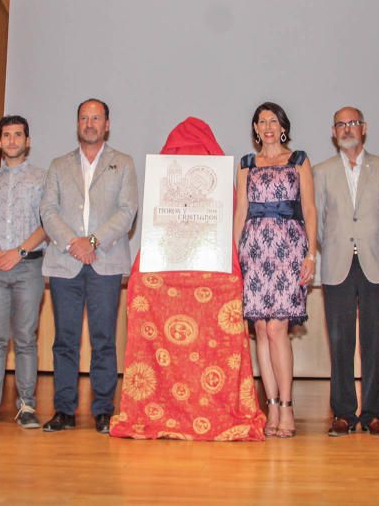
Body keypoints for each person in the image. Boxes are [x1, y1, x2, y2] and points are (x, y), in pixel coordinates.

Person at [110, 117, 266, 441]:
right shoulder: (182, 182)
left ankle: (156, 412)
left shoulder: (206, 185)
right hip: (194, 263)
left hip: (179, 264)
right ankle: (215, 412)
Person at [40, 99, 138, 434]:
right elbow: (48, 211)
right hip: (65, 261)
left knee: (104, 339)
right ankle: (64, 410)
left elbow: (127, 212)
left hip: (105, 262)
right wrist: (74, 243)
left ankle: (103, 411)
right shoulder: (58, 165)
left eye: (96, 118)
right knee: (65, 340)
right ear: (77, 123)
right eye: (84, 118)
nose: (90, 123)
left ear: (107, 124)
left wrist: (92, 242)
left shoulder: (122, 163)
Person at [312, 106, 379, 437]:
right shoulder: (321, 172)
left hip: (376, 265)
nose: (347, 129)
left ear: (364, 128)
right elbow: (317, 224)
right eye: (340, 125)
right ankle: (344, 413)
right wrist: (340, 245)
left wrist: (371, 243)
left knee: (375, 342)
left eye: (353, 123)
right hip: (337, 266)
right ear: (333, 132)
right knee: (340, 342)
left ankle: (374, 413)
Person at [234, 102, 316, 439]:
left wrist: (311, 254)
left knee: (278, 329)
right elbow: (240, 211)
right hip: (254, 252)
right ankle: (269, 405)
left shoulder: (299, 161)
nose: (267, 126)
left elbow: (309, 209)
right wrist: (234, 254)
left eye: (273, 121)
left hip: (288, 250)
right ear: (254, 128)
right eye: (261, 121)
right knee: (261, 330)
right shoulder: (246, 164)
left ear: (283, 127)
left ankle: (287, 406)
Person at [0, 115, 47, 429]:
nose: (12, 140)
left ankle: (27, 405)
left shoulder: (43, 178)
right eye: (6, 135)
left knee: (26, 339)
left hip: (29, 266)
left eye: (18, 135)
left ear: (27, 141)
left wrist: (20, 251)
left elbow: (47, 224)